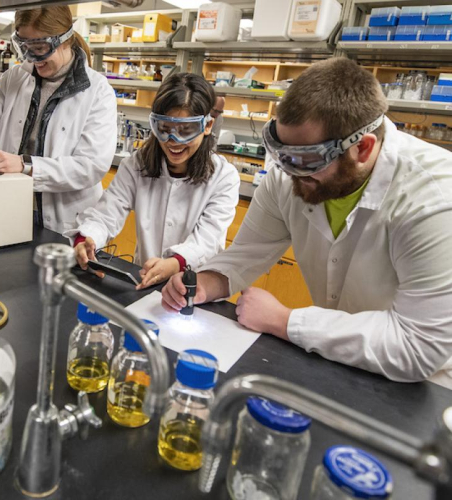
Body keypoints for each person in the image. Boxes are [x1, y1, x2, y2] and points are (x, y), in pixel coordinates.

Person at [161, 58, 452, 388]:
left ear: (363, 148)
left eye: (305, 159)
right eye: (281, 152)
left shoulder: (434, 200)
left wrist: (286, 322)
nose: (288, 171)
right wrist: (204, 283)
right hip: (335, 362)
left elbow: (417, 345)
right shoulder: (289, 178)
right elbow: (244, 255)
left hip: (424, 389)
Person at [0, 6, 117, 234]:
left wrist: (26, 165)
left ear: (66, 40)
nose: (31, 57)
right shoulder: (14, 79)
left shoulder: (98, 91)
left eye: (39, 48)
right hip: (9, 208)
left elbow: (90, 166)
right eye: (25, 47)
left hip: (65, 223)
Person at [68, 73, 240, 290]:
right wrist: (86, 239)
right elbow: (106, 214)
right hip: (145, 281)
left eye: (186, 130)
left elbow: (207, 240)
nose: (172, 141)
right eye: (164, 129)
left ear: (207, 126)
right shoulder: (137, 165)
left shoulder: (223, 177)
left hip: (196, 288)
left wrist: (175, 263)